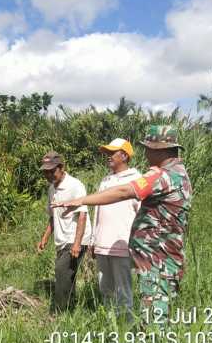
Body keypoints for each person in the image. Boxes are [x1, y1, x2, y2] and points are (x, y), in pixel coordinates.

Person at [52, 126, 192, 325]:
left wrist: (80, 200)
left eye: (148, 149)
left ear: (158, 149)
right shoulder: (178, 173)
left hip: (157, 255)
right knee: (152, 305)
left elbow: (124, 192)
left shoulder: (161, 176)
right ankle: (136, 338)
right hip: (163, 253)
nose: (145, 153)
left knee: (154, 313)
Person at [91, 138, 141, 319]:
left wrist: (138, 245)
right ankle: (110, 323)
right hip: (102, 244)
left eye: (112, 153)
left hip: (123, 245)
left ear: (125, 155)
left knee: (123, 290)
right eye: (107, 153)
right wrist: (93, 240)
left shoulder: (136, 180)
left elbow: (141, 214)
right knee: (105, 288)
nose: (108, 157)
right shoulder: (105, 180)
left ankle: (126, 326)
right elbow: (97, 210)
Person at [37, 151, 92, 312]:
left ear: (61, 167)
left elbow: (82, 214)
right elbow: (53, 217)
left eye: (52, 171)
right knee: (69, 275)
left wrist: (77, 244)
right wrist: (44, 238)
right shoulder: (51, 189)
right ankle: (71, 309)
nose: (48, 175)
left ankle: (58, 312)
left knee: (61, 272)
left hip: (76, 238)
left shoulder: (75, 185)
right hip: (61, 239)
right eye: (45, 172)